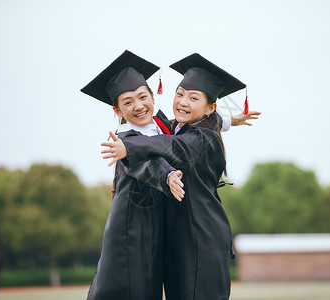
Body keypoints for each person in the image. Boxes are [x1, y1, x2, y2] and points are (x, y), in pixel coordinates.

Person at [102, 53, 252, 300]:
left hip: (199, 237)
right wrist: (229, 120)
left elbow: (172, 147)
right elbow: (161, 142)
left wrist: (131, 149)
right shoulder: (173, 128)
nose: (183, 101)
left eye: (194, 98)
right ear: (117, 109)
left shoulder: (200, 138)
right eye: (180, 94)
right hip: (179, 238)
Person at [81, 50, 178, 300]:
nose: (138, 106)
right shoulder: (124, 141)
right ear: (117, 110)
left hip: (153, 230)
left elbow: (188, 128)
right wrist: (168, 176)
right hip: (131, 232)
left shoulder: (162, 125)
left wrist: (228, 120)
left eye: (142, 97)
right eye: (127, 102)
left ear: (153, 97)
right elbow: (148, 164)